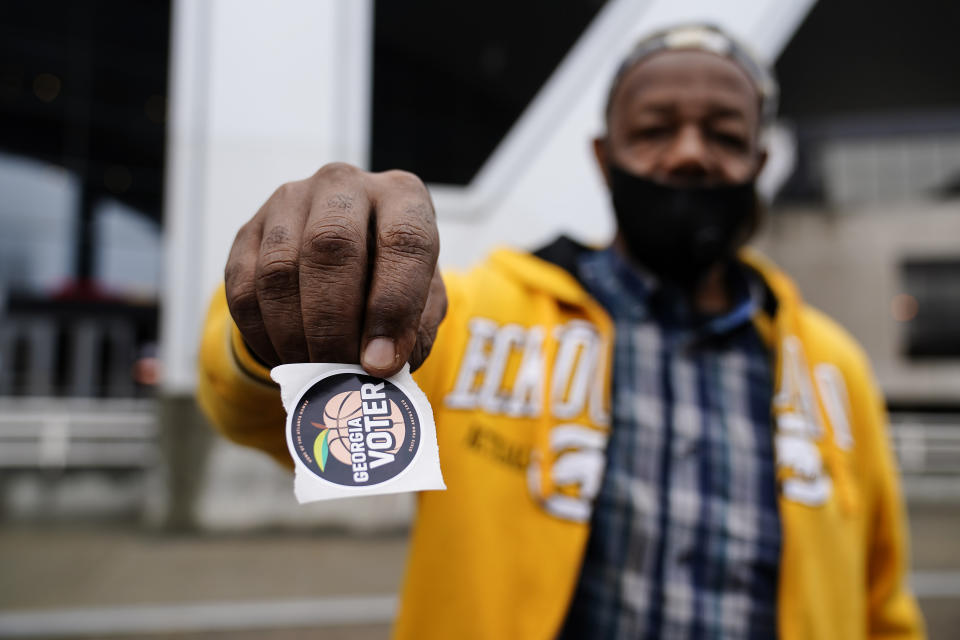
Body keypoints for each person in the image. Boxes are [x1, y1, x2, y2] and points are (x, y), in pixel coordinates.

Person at [197, 24, 924, 640]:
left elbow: (883, 607)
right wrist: (281, 323)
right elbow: (257, 414)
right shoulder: (477, 315)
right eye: (655, 129)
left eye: (725, 134)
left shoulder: (835, 370)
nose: (690, 152)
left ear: (759, 166)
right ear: (604, 158)